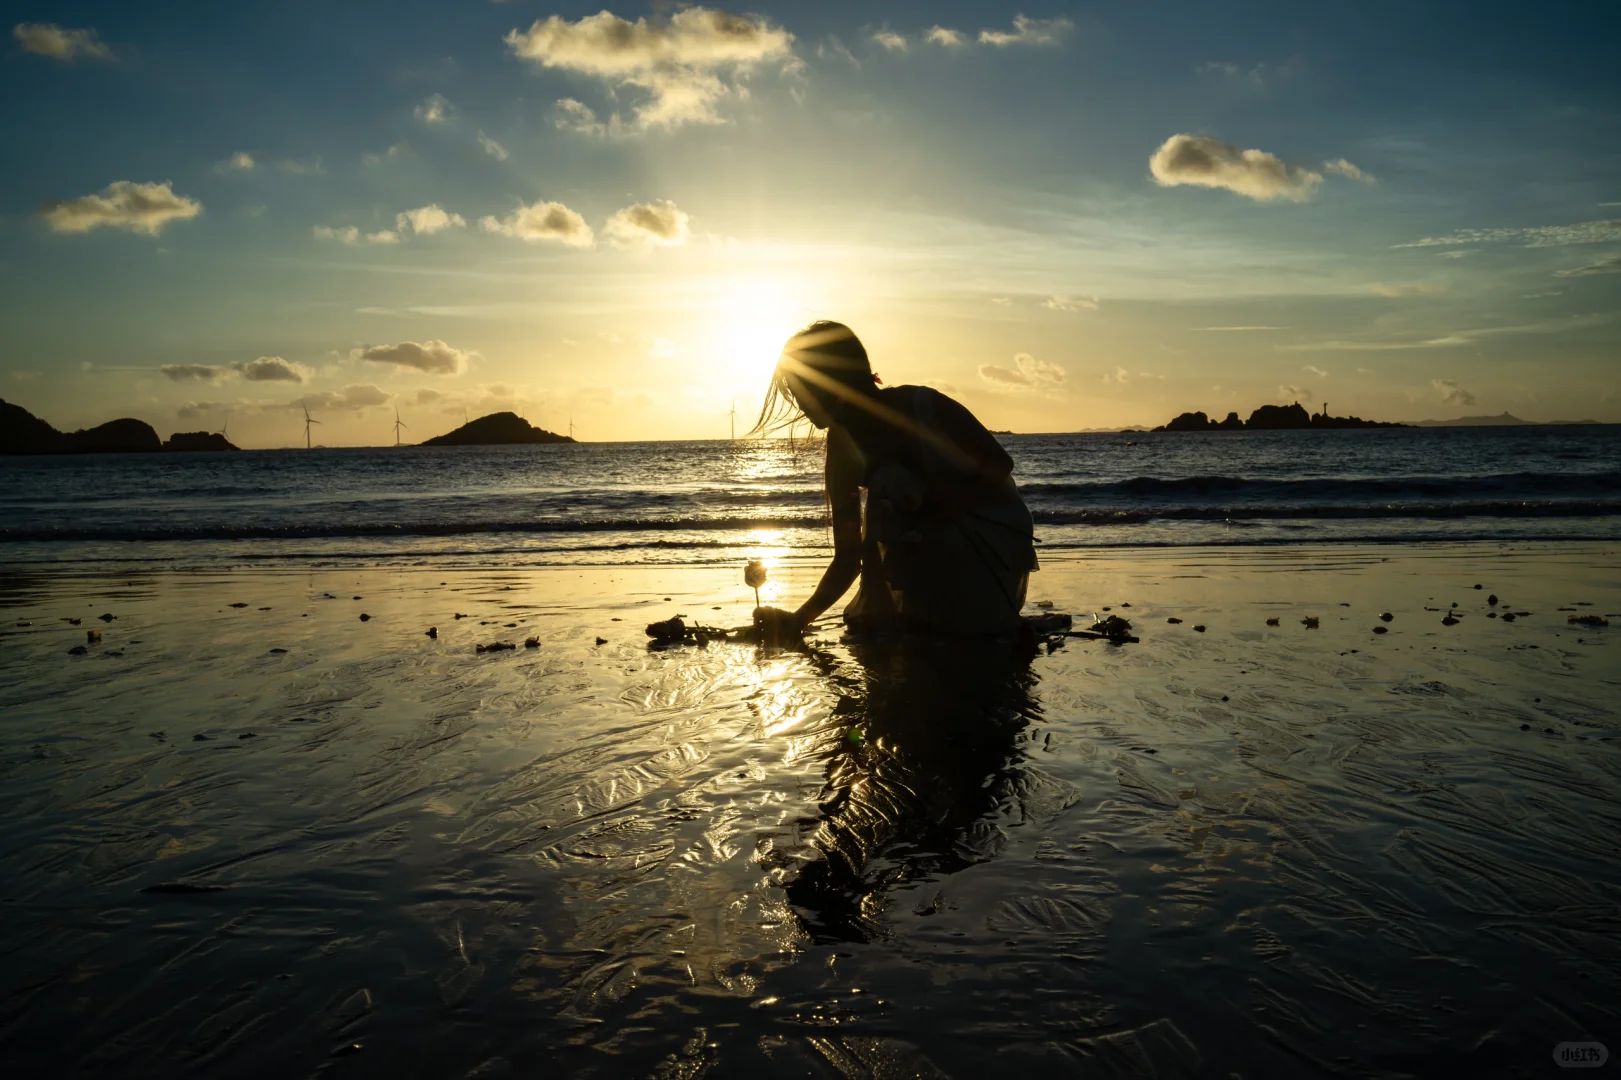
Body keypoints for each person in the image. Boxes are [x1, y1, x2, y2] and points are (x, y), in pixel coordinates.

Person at [751, 320, 1037, 638]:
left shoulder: (923, 405)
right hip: (921, 552)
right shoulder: (841, 446)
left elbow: (999, 463)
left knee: (891, 481)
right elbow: (848, 558)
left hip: (987, 539)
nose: (799, 402)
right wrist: (798, 620)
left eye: (800, 387)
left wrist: (942, 503)